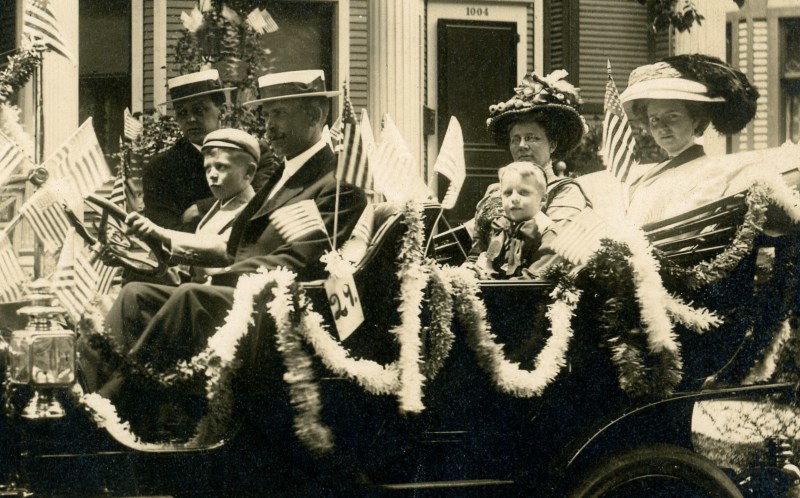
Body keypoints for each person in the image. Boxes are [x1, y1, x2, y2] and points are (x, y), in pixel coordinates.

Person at [84, 69, 367, 400]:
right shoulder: (282, 176)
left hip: (272, 310)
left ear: (315, 115)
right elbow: (231, 247)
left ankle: (113, 403)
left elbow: (295, 260)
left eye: (279, 114)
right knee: (135, 294)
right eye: (266, 114)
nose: (269, 126)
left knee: (189, 296)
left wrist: (219, 279)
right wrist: (166, 242)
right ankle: (88, 386)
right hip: (242, 298)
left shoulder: (334, 187)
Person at [470, 70, 591, 274]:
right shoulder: (494, 191)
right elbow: (476, 248)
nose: (522, 145)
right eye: (515, 139)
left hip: (531, 283)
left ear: (552, 145)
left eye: (532, 138)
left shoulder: (566, 191)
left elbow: (557, 250)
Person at [619, 54, 759, 226]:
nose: (662, 127)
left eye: (672, 116)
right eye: (654, 119)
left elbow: (685, 230)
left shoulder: (710, 172)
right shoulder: (648, 175)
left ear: (696, 120)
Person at [125, 128, 259, 282]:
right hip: (197, 289)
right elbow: (191, 270)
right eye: (208, 168)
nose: (212, 175)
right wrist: (129, 260)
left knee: (134, 291)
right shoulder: (219, 207)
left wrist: (161, 232)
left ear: (249, 172)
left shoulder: (251, 211)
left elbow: (222, 251)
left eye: (221, 167)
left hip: (220, 296)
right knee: (133, 283)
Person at [142, 69, 234, 231]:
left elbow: (262, 202)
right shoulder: (160, 168)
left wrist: (202, 208)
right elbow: (164, 233)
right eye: (182, 113)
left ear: (223, 111)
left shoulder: (252, 153)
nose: (190, 119)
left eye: (198, 110)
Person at [473, 162, 550, 279]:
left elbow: (533, 281)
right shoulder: (500, 227)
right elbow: (489, 263)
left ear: (543, 199)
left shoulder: (549, 234)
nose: (514, 199)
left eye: (524, 192)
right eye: (508, 193)